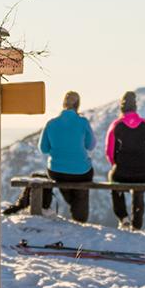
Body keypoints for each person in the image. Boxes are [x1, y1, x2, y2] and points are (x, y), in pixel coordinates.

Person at [104, 91, 145, 228]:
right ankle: (137, 224)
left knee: (114, 181)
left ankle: (123, 218)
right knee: (138, 191)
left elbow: (109, 153)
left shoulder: (116, 126)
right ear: (136, 107)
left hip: (122, 174)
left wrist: (117, 164)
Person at [38, 90, 95, 223]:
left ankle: (75, 209)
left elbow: (43, 149)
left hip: (56, 172)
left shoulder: (51, 123)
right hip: (81, 172)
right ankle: (80, 218)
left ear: (63, 104)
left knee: (65, 177)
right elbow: (90, 146)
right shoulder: (83, 122)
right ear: (78, 105)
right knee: (82, 180)